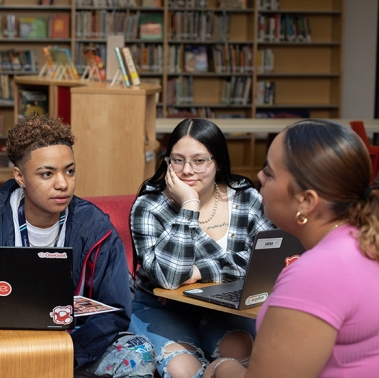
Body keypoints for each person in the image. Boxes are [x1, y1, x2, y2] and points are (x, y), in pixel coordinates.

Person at [0, 113, 156, 377]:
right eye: (47, 174)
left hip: (73, 347)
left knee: (138, 353)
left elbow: (115, 311)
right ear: (20, 176)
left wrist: (62, 353)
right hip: (2, 348)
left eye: (70, 170)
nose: (63, 183)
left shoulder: (95, 227)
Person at [205, 119, 379, 378]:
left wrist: (220, 368)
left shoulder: (318, 272)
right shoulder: (363, 240)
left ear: (306, 201)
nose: (260, 176)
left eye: (270, 172)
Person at [129, 118, 275, 378]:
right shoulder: (150, 205)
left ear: (217, 161)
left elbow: (264, 263)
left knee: (241, 352)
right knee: (182, 369)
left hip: (225, 307)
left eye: (199, 160)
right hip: (161, 307)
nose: (187, 170)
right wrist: (189, 206)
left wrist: (199, 271)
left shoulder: (246, 197)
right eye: (177, 160)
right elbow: (170, 278)